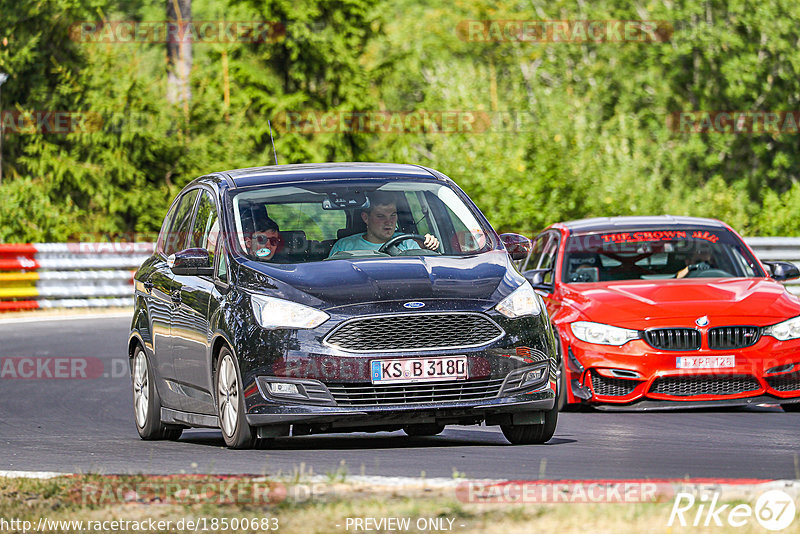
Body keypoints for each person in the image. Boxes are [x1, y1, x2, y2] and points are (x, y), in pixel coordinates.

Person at [329, 192, 440, 256]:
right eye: (381, 216)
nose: (389, 222)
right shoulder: (344, 247)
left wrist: (429, 247)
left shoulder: (408, 244)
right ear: (365, 218)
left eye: (393, 215)